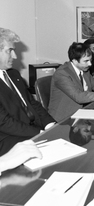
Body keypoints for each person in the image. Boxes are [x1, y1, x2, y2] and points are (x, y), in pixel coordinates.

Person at [0, 28, 55, 156]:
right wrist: (40, 133)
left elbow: (32, 103)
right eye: (10, 51)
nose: (15, 56)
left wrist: (50, 124)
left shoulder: (13, 74)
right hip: (9, 138)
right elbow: (5, 122)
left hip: (32, 129)